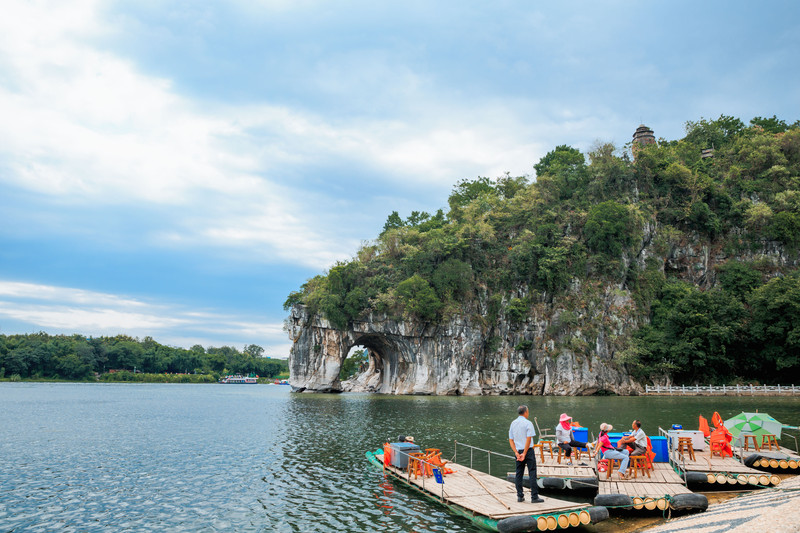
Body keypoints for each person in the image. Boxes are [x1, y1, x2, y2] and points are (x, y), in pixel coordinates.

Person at [508, 405, 545, 503]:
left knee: (519, 474)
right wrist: (525, 453)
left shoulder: (513, 423)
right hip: (527, 451)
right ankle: (534, 497)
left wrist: (516, 452)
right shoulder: (528, 423)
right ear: (526, 412)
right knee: (532, 473)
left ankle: (520, 496)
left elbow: (511, 440)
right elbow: (529, 439)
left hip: (518, 451)